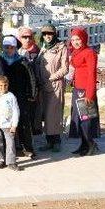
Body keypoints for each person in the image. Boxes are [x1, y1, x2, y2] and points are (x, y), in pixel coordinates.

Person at [0, 35, 37, 158]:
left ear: (15, 48)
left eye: (11, 47)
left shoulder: (22, 61)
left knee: (23, 122)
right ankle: (9, 149)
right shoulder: (0, 60)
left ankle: (27, 148)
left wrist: (32, 94)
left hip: (20, 96)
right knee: (6, 122)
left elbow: (31, 79)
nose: (8, 50)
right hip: (4, 96)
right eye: (6, 47)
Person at [34, 24, 69, 152]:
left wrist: (52, 77)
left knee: (53, 114)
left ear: (55, 35)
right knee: (45, 114)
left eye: (50, 34)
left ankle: (56, 141)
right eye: (44, 34)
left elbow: (65, 68)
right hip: (43, 85)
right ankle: (49, 141)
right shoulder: (43, 48)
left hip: (55, 85)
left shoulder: (61, 47)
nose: (47, 36)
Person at [68, 27, 100, 156]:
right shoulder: (75, 52)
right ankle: (83, 144)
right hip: (77, 89)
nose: (76, 42)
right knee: (78, 119)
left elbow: (92, 74)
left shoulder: (89, 52)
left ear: (84, 39)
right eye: (73, 39)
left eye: (78, 39)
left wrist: (90, 94)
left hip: (86, 91)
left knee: (86, 120)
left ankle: (91, 144)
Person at [18, 26, 42, 136]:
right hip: (19, 87)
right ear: (20, 38)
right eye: (24, 37)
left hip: (33, 87)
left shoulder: (38, 52)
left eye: (29, 37)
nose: (27, 39)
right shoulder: (15, 51)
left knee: (33, 113)